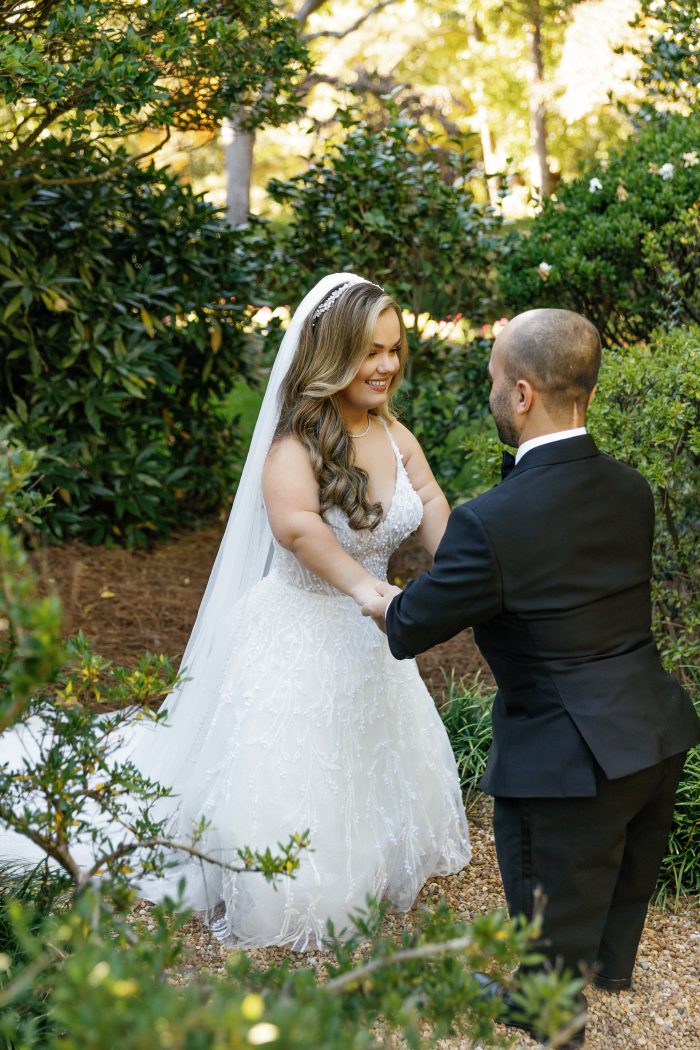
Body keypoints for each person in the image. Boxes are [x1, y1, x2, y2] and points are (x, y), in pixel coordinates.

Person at [0, 274, 470, 951]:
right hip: (303, 632)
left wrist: (462, 573)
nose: (386, 365)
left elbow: (427, 500)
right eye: (371, 351)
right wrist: (367, 590)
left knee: (372, 753)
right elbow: (297, 528)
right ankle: (294, 883)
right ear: (333, 353)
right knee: (293, 773)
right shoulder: (295, 444)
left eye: (395, 350)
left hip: (375, 638)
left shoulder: (395, 434)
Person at [363, 308, 700, 1043]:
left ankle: (549, 1012)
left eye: (493, 379)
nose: (491, 392)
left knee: (550, 972)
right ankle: (605, 966)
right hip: (654, 734)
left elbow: (411, 626)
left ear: (521, 394)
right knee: (615, 876)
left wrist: (379, 596)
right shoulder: (631, 488)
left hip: (565, 762)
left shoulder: (492, 520)